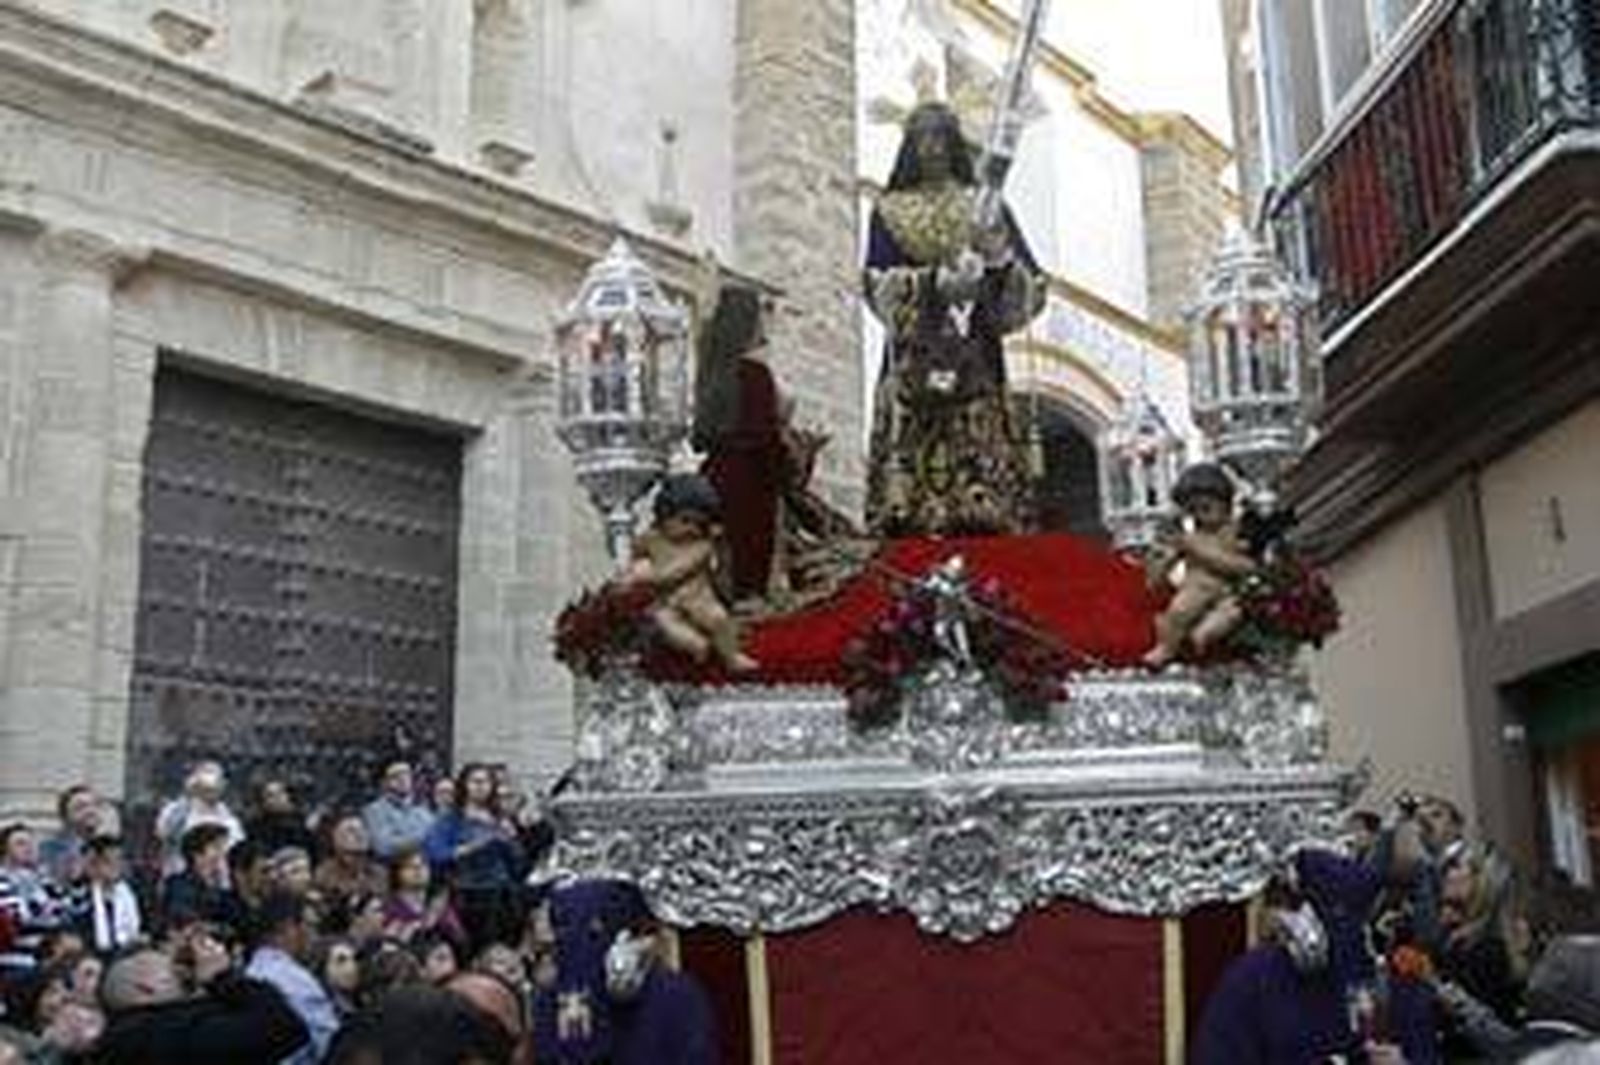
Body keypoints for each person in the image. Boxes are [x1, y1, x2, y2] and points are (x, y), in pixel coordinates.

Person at [863, 99, 1046, 538]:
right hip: (913, 355)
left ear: (953, 143)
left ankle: (984, 511)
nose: (931, 148)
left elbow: (1030, 283)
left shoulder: (985, 206)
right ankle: (904, 514)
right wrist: (932, 285)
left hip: (975, 351)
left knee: (978, 439)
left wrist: (995, 261)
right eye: (921, 138)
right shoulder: (890, 209)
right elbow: (874, 281)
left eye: (939, 137)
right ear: (909, 147)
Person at [693, 283, 786, 602]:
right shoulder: (754, 374)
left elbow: (700, 437)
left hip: (715, 479)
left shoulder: (711, 374)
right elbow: (766, 439)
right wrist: (791, 470)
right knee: (748, 581)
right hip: (751, 485)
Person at [623, 473, 758, 672]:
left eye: (699, 524)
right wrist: (634, 568)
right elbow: (635, 556)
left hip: (698, 601)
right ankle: (695, 649)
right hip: (665, 603)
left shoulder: (701, 547)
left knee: (718, 619)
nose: (690, 529)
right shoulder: (652, 539)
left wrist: (647, 576)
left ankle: (731, 655)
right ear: (664, 516)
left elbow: (672, 574)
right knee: (672, 628)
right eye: (684, 521)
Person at [96, 939, 309, 1064]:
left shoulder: (136, 1034)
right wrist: (223, 977)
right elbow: (283, 1027)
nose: (184, 969)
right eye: (171, 967)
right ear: (146, 987)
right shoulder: (160, 1036)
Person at [1143, 463, 1259, 667]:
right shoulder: (1188, 538)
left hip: (1229, 592)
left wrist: (1198, 551)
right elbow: (1154, 582)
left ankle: (1201, 639)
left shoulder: (1235, 533)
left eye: (1206, 508)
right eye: (1193, 510)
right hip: (1195, 591)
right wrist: (1160, 558)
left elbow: (1248, 567)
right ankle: (1167, 648)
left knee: (1225, 618)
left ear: (1225, 502)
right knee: (1177, 613)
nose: (1200, 515)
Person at [423, 765, 525, 953]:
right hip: (464, 893)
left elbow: (518, 864)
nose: (480, 786)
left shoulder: (500, 818)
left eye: (485, 781)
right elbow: (436, 854)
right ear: (464, 785)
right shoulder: (451, 819)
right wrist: (472, 846)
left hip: (499, 895)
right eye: (474, 781)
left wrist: (510, 840)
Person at [245, 893, 342, 1065]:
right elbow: (332, 1050)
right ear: (289, 928)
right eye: (311, 926)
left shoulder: (249, 972)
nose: (316, 937)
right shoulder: (297, 982)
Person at [154, 761, 245, 880]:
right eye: (206, 789)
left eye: (214, 789)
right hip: (179, 876)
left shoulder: (229, 819)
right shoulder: (178, 811)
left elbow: (236, 848)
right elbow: (163, 833)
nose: (210, 794)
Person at [0, 825, 68, 977]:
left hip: (45, 960)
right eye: (20, 843)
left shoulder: (43, 879)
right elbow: (18, 917)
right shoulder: (2, 879)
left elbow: (63, 912)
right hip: (13, 963)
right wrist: (45, 906)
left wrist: (40, 909)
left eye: (32, 843)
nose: (29, 848)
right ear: (4, 850)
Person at [160, 823, 243, 933]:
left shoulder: (223, 889)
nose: (222, 853)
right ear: (197, 854)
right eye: (216, 847)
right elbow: (184, 921)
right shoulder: (179, 886)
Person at [383, 845, 466, 946]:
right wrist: (418, 925)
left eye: (423, 864)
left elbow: (459, 938)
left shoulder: (438, 901)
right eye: (410, 866)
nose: (418, 870)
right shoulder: (388, 906)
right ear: (396, 873)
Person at [73, 834, 142, 955]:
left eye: (119, 860)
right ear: (94, 864)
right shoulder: (81, 895)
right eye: (109, 861)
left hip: (125, 953)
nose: (117, 866)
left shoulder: (129, 893)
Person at [362, 759, 436, 862]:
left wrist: (402, 839)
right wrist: (424, 839)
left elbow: (438, 840)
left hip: (424, 866)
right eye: (395, 776)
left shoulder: (422, 811)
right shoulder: (374, 810)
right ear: (384, 783)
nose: (402, 780)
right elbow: (383, 847)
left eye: (406, 775)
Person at [314, 812, 386, 918]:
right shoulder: (325, 873)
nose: (358, 835)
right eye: (350, 831)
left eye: (361, 830)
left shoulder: (378, 872)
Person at [37, 785, 103, 886]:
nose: (91, 811)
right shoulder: (50, 849)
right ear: (65, 815)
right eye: (81, 807)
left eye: (95, 805)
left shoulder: (107, 848)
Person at [245, 780, 317, 861]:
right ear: (263, 803)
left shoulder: (303, 824)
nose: (278, 797)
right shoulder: (259, 832)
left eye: (281, 792)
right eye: (270, 795)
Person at [314, 935, 363, 1020]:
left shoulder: (367, 1005)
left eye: (355, 960)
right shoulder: (322, 1012)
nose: (351, 967)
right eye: (341, 960)